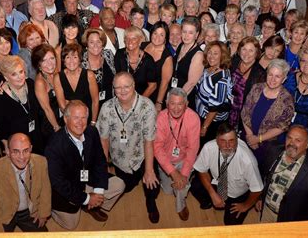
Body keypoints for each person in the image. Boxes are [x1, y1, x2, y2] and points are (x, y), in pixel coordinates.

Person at [46, 101, 125, 229]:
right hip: (69, 186)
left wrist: (98, 191)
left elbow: (100, 160)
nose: (80, 122)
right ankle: (56, 208)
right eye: (76, 117)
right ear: (66, 119)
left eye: (84, 118)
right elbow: (58, 182)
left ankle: (92, 205)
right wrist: (87, 198)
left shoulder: (91, 132)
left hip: (87, 178)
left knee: (119, 185)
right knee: (71, 225)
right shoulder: (54, 145)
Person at [97, 72, 160, 223]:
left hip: (142, 156)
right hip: (120, 159)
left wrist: (149, 170)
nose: (122, 91)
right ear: (113, 89)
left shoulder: (147, 107)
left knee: (153, 185)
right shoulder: (106, 108)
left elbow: (149, 141)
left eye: (126, 86)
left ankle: (151, 204)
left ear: (134, 86)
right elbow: (103, 140)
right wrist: (104, 166)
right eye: (118, 87)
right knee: (126, 187)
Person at [190, 123, 263, 225]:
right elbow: (201, 169)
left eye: (231, 141)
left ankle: (226, 206)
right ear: (216, 140)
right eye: (223, 141)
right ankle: (211, 202)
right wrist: (212, 194)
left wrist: (245, 206)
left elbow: (257, 190)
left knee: (230, 223)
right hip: (218, 183)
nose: (228, 146)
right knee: (195, 186)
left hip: (238, 194)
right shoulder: (208, 147)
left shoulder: (248, 161)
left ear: (237, 139)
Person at [259, 125, 308, 222]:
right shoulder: (273, 150)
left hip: (291, 221)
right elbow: (263, 175)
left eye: (298, 140)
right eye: (289, 138)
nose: (291, 143)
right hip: (266, 212)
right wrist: (259, 198)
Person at [0, 133, 51, 232]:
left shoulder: (41, 162)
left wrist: (43, 213)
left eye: (26, 151)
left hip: (30, 212)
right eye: (16, 151)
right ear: (8, 152)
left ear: (31, 148)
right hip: (4, 213)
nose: (21, 157)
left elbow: (46, 189)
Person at [241, 59, 294, 175]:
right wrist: (250, 136)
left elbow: (282, 127)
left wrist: (258, 139)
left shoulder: (287, 100)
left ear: (284, 79)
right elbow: (245, 112)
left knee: (255, 173)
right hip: (246, 137)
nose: (272, 79)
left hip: (265, 146)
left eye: (277, 76)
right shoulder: (257, 88)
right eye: (270, 74)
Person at [154, 88, 200, 220]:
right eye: (172, 103)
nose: (176, 108)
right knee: (168, 191)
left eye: (180, 104)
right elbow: (157, 148)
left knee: (180, 185)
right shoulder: (161, 118)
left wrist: (183, 174)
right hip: (166, 161)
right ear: (167, 104)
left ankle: (181, 205)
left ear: (186, 104)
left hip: (184, 159)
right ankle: (177, 183)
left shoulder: (193, 118)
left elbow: (193, 149)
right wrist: (173, 172)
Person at [0, 55, 45, 155]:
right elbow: (0, 129)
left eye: (21, 71)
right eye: (14, 74)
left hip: (37, 140)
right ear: (6, 77)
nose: (20, 77)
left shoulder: (31, 84)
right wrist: (7, 147)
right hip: (17, 148)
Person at [195, 41, 233, 146]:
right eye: (210, 52)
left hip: (211, 122)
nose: (211, 56)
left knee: (205, 148)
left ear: (222, 56)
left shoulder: (222, 79)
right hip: (202, 115)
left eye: (216, 53)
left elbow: (214, 108)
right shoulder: (209, 69)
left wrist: (204, 127)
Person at [54, 43, 99, 125]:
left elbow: (95, 101)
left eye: (75, 57)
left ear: (79, 59)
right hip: (69, 121)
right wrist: (74, 122)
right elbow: (62, 106)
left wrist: (93, 122)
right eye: (68, 57)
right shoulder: (58, 77)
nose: (71, 61)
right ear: (64, 60)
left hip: (88, 119)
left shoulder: (89, 75)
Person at [229, 37, 266, 128]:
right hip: (227, 110)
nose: (246, 53)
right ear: (239, 50)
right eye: (244, 49)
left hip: (244, 115)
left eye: (251, 50)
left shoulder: (260, 73)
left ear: (257, 53)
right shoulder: (233, 62)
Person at [114, 26, 157, 98]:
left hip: (143, 98)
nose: (130, 41)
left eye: (134, 38)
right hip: (122, 97)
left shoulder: (148, 60)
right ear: (124, 40)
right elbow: (117, 80)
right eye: (127, 38)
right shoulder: (119, 54)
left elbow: (153, 85)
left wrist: (139, 102)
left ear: (140, 40)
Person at [172, 16, 204, 108]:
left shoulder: (198, 55)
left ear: (196, 35)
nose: (186, 36)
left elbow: (191, 83)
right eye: (184, 31)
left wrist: (176, 100)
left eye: (190, 33)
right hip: (174, 91)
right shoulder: (181, 45)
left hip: (184, 97)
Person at [32, 44, 62, 138]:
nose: (50, 64)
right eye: (44, 60)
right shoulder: (40, 82)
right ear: (38, 64)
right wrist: (57, 128)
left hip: (62, 117)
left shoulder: (55, 71)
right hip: (50, 123)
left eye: (52, 58)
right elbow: (47, 109)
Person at [81, 28, 116, 107]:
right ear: (86, 44)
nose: (95, 45)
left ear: (102, 43)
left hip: (110, 105)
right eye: (91, 42)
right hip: (88, 106)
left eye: (98, 42)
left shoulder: (109, 55)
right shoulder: (80, 62)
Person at [143, 21, 173, 111]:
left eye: (161, 35)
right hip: (139, 91)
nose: (157, 37)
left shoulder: (167, 57)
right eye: (155, 33)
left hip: (154, 96)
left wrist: (158, 102)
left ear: (165, 38)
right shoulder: (143, 45)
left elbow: (164, 83)